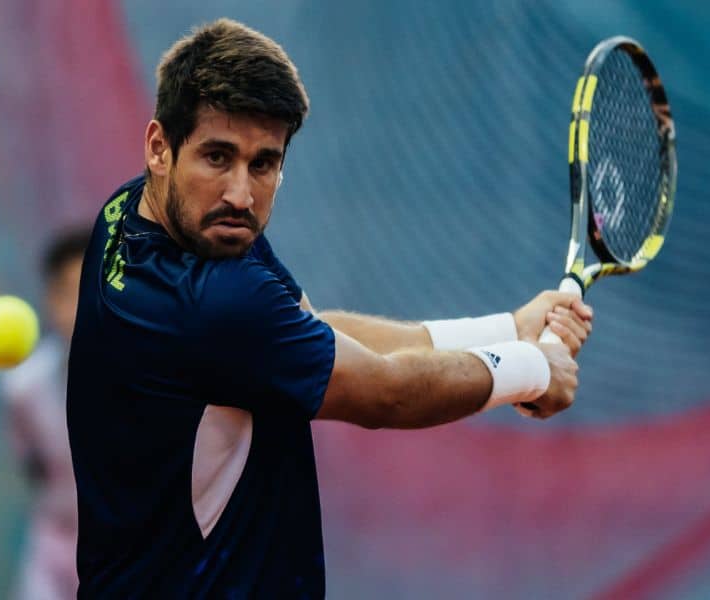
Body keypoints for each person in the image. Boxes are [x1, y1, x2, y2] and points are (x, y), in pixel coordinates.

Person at [66, 18, 593, 598]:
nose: (240, 194)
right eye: (217, 157)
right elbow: (385, 390)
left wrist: (505, 328)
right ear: (159, 147)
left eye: (262, 164)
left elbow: (307, 334)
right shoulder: (217, 302)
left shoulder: (125, 214)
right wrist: (534, 370)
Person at [0, 227, 90, 600]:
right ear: (51, 300)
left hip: (131, 551)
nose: (85, 305)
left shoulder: (158, 385)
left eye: (98, 288)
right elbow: (30, 464)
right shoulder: (22, 386)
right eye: (69, 292)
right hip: (52, 544)